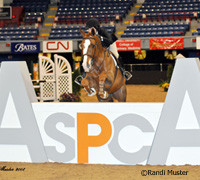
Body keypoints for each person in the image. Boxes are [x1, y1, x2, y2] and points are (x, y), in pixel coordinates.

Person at [75, 18, 131, 85]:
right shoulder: (90, 35)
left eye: (89, 28)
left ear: (95, 28)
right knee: (88, 57)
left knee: (116, 55)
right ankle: (83, 76)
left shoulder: (102, 31)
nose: (88, 30)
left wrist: (100, 37)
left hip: (109, 44)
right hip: (99, 48)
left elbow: (109, 41)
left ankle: (123, 71)